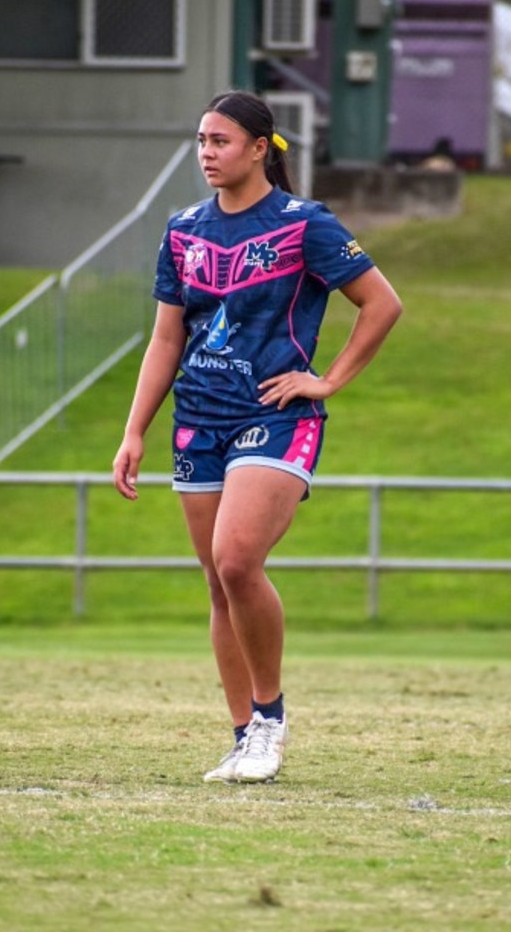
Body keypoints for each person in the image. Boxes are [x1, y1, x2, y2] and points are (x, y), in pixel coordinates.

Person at [112, 90, 402, 784]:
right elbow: (164, 337)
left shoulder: (306, 224)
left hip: (275, 415)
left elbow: (382, 304)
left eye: (220, 140)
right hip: (198, 421)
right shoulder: (183, 229)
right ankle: (243, 737)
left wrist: (325, 381)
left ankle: (270, 721)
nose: (207, 153)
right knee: (219, 583)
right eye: (202, 141)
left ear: (258, 148)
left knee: (238, 558)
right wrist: (133, 431)